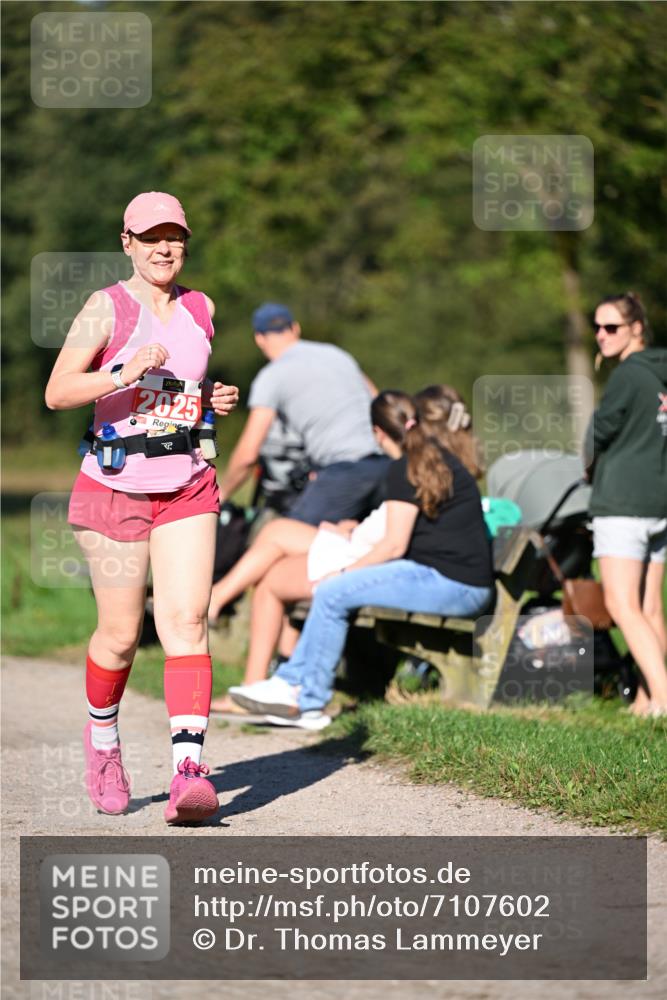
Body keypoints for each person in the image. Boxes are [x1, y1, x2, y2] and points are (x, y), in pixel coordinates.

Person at [44, 191, 239, 822]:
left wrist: (211, 398)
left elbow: (180, 390)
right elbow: (58, 392)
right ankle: (104, 742)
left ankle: (189, 773)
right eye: (151, 237)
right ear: (127, 242)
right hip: (116, 486)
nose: (164, 248)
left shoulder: (201, 308)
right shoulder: (106, 307)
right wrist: (122, 372)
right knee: (122, 635)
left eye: (174, 237)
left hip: (188, 483)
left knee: (185, 620)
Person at [227, 390, 495, 727]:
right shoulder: (433, 459)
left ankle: (306, 701)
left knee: (333, 591)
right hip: (455, 580)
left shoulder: (406, 467)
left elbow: (394, 545)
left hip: (452, 584)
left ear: (378, 433)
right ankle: (290, 684)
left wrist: (344, 571)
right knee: (333, 591)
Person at [216, 302, 389, 525]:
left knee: (277, 538)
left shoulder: (272, 376)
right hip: (384, 465)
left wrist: (221, 496)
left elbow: (248, 455)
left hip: (342, 472)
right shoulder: (337, 355)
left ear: (259, 338)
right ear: (295, 328)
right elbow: (381, 404)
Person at [586, 292, 667, 717]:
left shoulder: (627, 375)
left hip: (622, 502)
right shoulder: (660, 373)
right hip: (659, 500)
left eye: (611, 327)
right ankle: (645, 699)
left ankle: (663, 698)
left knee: (622, 605)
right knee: (649, 607)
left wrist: (588, 463)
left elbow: (598, 435)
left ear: (636, 328)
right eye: (596, 327)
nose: (601, 335)